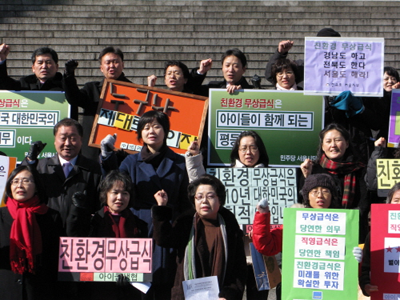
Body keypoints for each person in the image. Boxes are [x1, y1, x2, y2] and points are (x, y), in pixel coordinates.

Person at [101, 110, 192, 299]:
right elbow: (114, 186)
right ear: (140, 133)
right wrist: (107, 155)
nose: (152, 131)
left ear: (166, 131)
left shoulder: (179, 162)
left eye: (157, 126)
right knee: (138, 287)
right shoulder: (130, 161)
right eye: (146, 127)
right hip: (138, 228)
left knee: (165, 282)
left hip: (168, 229)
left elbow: (186, 202)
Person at [185, 131, 270, 299]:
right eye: (243, 148)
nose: (248, 152)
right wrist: (194, 159)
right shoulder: (225, 176)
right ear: (236, 152)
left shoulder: (274, 178)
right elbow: (201, 184)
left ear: (260, 151)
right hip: (232, 250)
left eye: (253, 147)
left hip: (260, 253)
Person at [152, 174, 247, 300]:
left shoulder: (230, 226)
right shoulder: (185, 222)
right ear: (193, 201)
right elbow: (163, 240)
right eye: (199, 197)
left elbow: (239, 266)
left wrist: (229, 294)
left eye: (210, 196)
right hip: (188, 295)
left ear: (220, 200)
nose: (204, 201)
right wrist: (162, 207)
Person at [21, 118, 102, 236]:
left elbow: (100, 203)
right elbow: (20, 183)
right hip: (45, 233)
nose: (68, 143)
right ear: (55, 140)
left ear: (81, 140)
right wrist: (30, 161)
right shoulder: (40, 166)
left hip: (80, 237)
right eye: (63, 138)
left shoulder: (94, 169)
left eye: (73, 138)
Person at [0, 165, 63, 300]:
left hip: (39, 291)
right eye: (15, 181)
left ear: (37, 187)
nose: (20, 185)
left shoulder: (51, 216)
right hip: (5, 290)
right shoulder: (0, 215)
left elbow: (55, 259)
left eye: (26, 181)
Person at [62, 46, 132, 161]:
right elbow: (74, 99)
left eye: (115, 62)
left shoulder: (134, 91)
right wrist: (69, 75)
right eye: (108, 62)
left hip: (122, 152)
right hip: (93, 152)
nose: (112, 66)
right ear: (101, 68)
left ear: (122, 65)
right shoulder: (92, 88)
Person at [87, 170, 148, 300]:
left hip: (130, 290)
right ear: (106, 194)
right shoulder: (93, 221)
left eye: (125, 193)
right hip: (99, 289)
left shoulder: (140, 225)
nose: (120, 198)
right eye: (115, 192)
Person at [252, 173, 341, 256]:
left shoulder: (343, 222)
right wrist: (262, 216)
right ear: (307, 197)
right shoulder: (296, 222)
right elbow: (266, 246)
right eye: (314, 191)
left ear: (332, 196)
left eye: (325, 191)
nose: (320, 195)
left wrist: (354, 258)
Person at [359, 182, 400, 296]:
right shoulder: (376, 234)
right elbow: (366, 267)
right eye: (396, 200)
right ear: (388, 203)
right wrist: (366, 284)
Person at [265, 28, 341, 88]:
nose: (327, 50)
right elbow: (270, 75)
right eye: (323, 45)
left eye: (332, 46)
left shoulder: (347, 69)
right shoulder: (302, 66)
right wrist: (280, 53)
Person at [147, 59, 212, 94]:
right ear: (165, 80)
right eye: (169, 73)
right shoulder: (162, 97)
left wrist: (201, 71)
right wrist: (150, 89)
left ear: (185, 80)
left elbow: (194, 82)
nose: (172, 76)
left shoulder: (194, 95)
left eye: (177, 73)